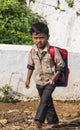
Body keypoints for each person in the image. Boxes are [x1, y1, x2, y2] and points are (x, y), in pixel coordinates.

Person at [25, 22, 65, 129]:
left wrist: (55, 76)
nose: (38, 40)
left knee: (44, 100)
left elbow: (61, 65)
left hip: (50, 81)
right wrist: (27, 79)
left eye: (41, 37)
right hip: (38, 81)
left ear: (48, 37)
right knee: (47, 101)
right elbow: (30, 66)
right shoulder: (32, 51)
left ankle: (38, 120)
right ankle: (53, 121)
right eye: (36, 38)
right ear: (32, 37)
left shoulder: (53, 50)